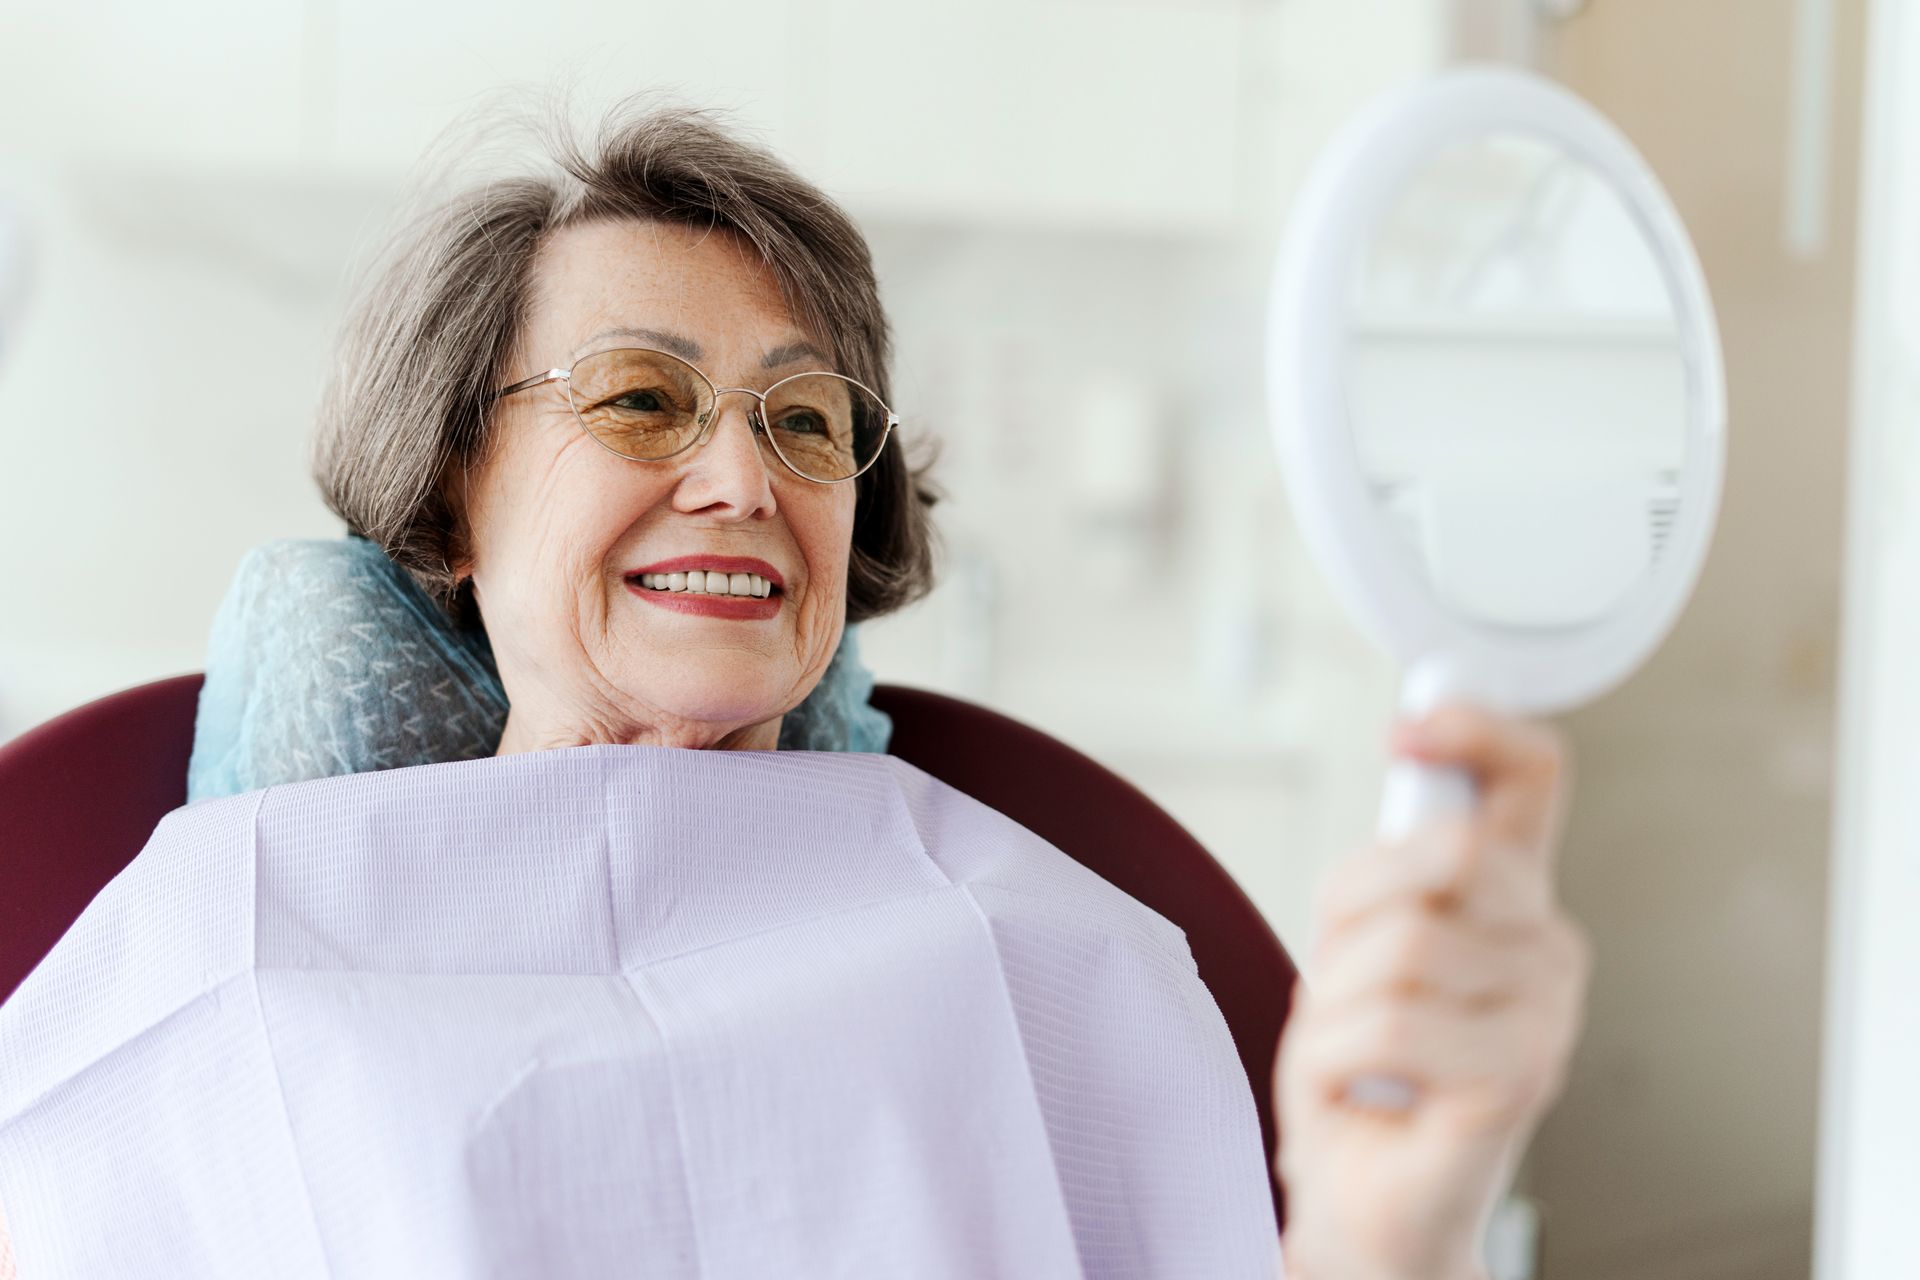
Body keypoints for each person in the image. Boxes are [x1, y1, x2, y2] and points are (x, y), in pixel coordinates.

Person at [0, 106, 1586, 1279]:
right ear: (451, 484)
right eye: (641, 398)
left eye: (807, 422)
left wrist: (1394, 1233)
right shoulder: (238, 961)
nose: (742, 478)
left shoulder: (1054, 952)